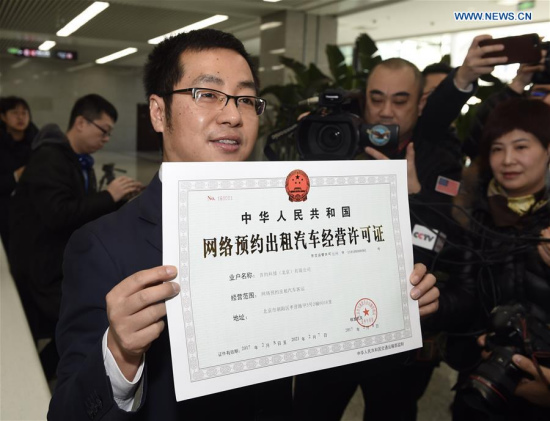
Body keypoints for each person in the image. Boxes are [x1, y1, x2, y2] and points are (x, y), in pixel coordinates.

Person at [48, 28, 439, 420]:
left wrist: (392, 310)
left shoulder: (286, 225)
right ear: (157, 111)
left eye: (247, 99)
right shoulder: (101, 245)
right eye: (208, 94)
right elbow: (67, 412)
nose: (233, 115)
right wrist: (119, 354)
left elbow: (326, 350)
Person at [293, 35, 507, 421]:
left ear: (420, 103)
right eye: (376, 98)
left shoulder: (439, 157)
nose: (386, 111)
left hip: (402, 335)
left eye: (401, 100)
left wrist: (414, 197)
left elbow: (454, 242)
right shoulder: (338, 142)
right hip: (328, 328)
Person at [8, 94, 143, 379]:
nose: (106, 138)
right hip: (40, 269)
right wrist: (109, 195)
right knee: (78, 324)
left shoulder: (75, 160)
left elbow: (79, 208)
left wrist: (116, 199)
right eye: (103, 130)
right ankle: (39, 377)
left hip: (55, 262)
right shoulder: (49, 159)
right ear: (81, 122)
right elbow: (58, 214)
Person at [433, 98, 550, 421]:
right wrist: (432, 306)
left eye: (521, 146)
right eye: (497, 149)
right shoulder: (475, 218)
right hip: (484, 383)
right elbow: (465, 296)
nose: (508, 160)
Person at [0, 96, 38, 252]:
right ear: (3, 116)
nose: (21, 117)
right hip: (6, 211)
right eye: (15, 113)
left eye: (24, 113)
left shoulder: (38, 140)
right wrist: (16, 176)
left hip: (35, 209)